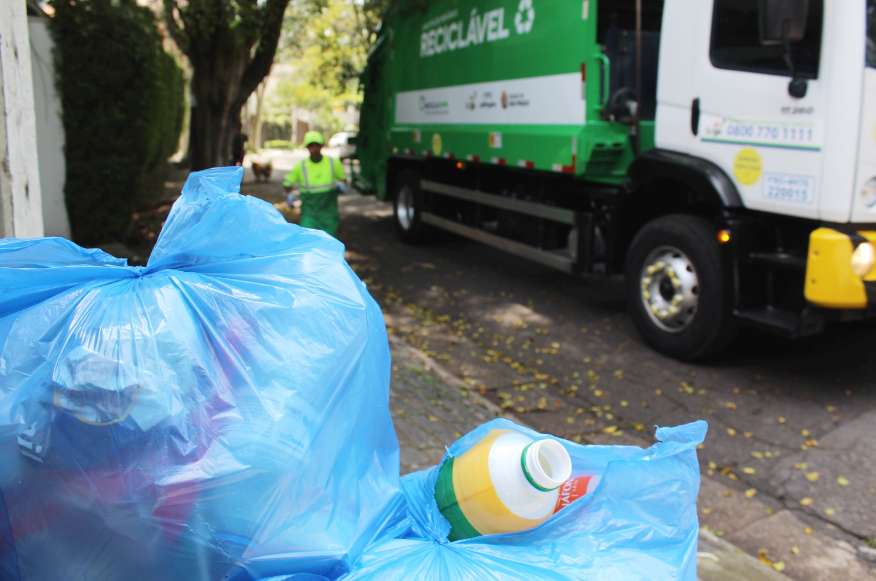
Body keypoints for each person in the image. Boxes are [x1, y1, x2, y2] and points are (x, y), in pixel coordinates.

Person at [283, 131, 347, 236]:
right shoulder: (301, 166)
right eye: (311, 146)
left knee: (329, 242)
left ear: (322, 146)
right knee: (309, 240)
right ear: (307, 147)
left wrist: (342, 186)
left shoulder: (333, 163)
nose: (314, 148)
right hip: (309, 213)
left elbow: (343, 180)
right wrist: (289, 194)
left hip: (328, 213)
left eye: (317, 145)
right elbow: (287, 183)